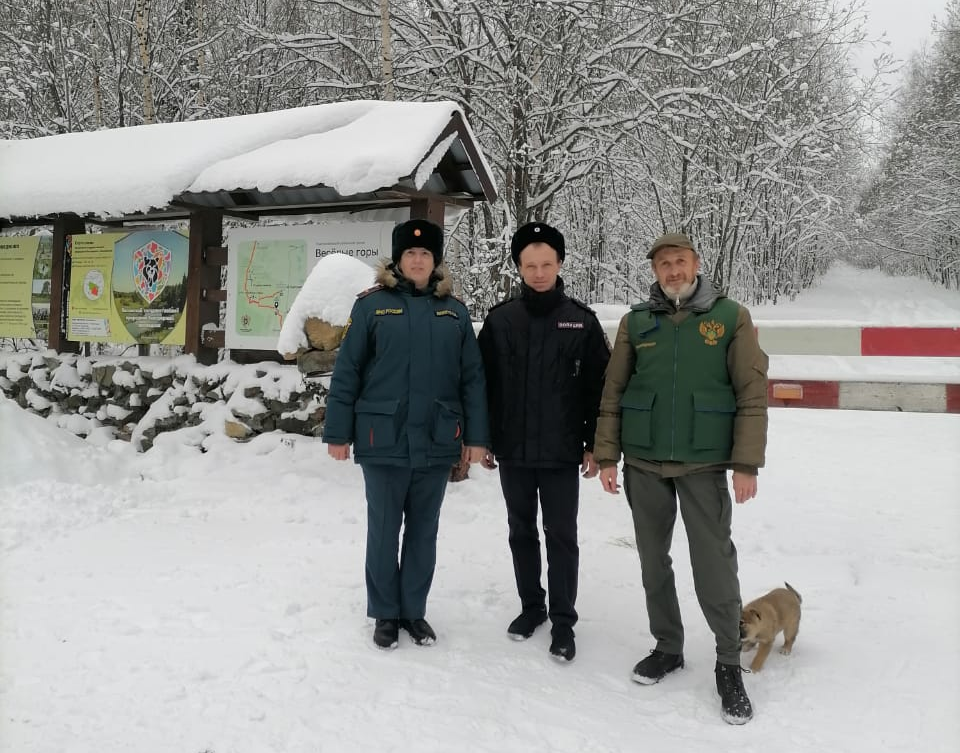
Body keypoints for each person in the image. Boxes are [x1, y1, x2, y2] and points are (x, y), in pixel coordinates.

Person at [593, 232, 768, 724]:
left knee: (714, 563)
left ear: (696, 264)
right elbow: (614, 390)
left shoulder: (730, 317)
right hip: (644, 460)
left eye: (680, 262)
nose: (672, 271)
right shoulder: (636, 322)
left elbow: (751, 392)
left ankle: (728, 662)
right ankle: (668, 647)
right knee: (653, 560)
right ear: (655, 271)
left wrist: (745, 463)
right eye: (663, 264)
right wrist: (608, 456)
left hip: (705, 461)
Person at [323, 218, 489, 650]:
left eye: (426, 254)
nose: (417, 260)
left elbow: (472, 379)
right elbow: (348, 372)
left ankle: (413, 611)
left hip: (436, 440)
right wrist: (337, 433)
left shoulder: (454, 312)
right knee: (383, 530)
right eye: (410, 253)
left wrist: (475, 438)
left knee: (423, 531)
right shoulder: (371, 307)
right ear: (397, 259)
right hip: (383, 440)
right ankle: (385, 613)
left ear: (436, 262)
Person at [477, 222, 610, 663]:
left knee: (562, 536)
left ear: (560, 264)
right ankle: (531, 607)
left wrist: (594, 444)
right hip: (512, 451)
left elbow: (600, 389)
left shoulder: (582, 321)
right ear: (518, 267)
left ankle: (563, 620)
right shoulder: (499, 321)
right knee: (521, 532)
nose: (538, 272)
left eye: (546, 264)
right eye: (530, 265)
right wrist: (482, 439)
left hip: (560, 452)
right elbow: (481, 387)